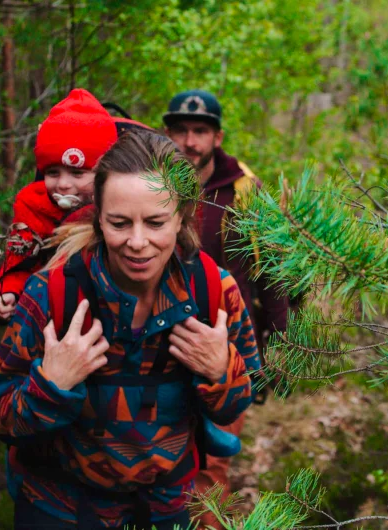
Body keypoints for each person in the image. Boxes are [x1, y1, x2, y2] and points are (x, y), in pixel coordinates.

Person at [0, 129, 260, 529]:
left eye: (156, 222)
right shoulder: (53, 292)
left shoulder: (212, 291)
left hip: (166, 509)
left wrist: (219, 370)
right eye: (119, 223)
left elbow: (236, 405)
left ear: (181, 216)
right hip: (60, 509)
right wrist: (52, 384)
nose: (138, 242)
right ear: (98, 218)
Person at [164, 89, 289, 526]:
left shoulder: (243, 188)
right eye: (180, 130)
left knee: (212, 467)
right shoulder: (152, 184)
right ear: (168, 133)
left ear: (217, 137)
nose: (189, 141)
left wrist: (274, 352)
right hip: (161, 348)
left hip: (228, 349)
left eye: (200, 131)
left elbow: (271, 271)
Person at [0, 88, 118, 321]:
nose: (63, 184)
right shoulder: (33, 206)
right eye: (52, 172)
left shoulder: (119, 207)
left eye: (77, 173)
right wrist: (9, 290)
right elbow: (19, 258)